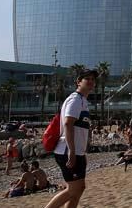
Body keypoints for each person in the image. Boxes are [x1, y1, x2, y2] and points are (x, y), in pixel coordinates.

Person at [43, 68, 96, 208]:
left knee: (79, 188)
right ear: (78, 82)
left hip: (77, 152)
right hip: (66, 151)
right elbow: (68, 124)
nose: (91, 81)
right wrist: (72, 151)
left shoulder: (83, 101)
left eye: (92, 79)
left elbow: (79, 130)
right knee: (73, 189)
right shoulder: (75, 99)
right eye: (87, 79)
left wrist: (81, 152)